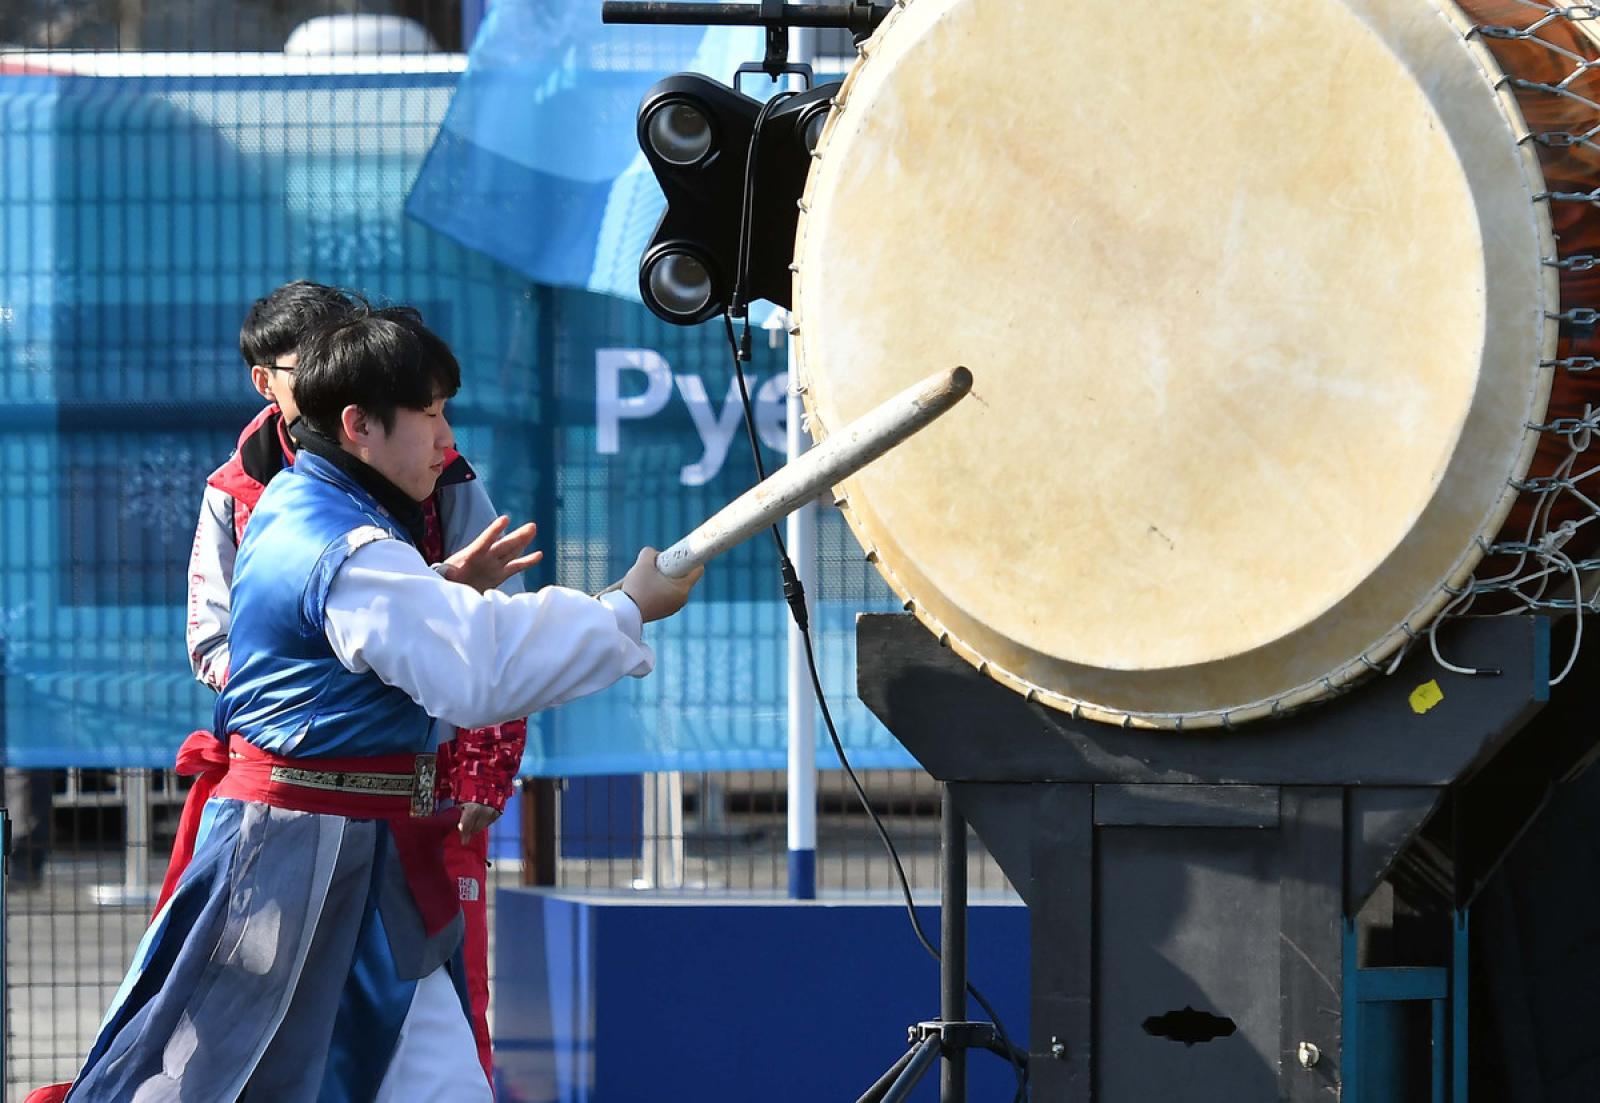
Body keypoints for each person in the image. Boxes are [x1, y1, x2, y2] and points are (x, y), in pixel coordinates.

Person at [32, 307, 701, 1101]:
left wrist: (441, 588)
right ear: (358, 425)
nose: (446, 438)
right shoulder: (342, 540)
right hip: (292, 863)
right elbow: (475, 667)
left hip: (364, 852)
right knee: (205, 1083)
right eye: (429, 413)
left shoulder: (311, 504)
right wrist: (625, 607)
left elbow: (393, 635)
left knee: (441, 1083)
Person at [183, 281, 529, 1079]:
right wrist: (320, 683)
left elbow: (489, 623)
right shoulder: (239, 492)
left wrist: (485, 764)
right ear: (264, 381)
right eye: (305, 362)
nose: (332, 368)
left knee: (447, 1004)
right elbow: (214, 638)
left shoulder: (439, 469)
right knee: (254, 1028)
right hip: (289, 810)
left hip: (425, 794)